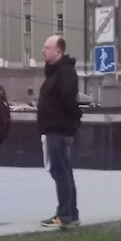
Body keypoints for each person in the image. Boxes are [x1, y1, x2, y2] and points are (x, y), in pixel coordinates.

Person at [37, 35, 82, 228]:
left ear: (58, 51)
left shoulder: (65, 73)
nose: (43, 50)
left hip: (59, 130)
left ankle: (64, 215)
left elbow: (69, 102)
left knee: (60, 171)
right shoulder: (56, 72)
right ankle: (71, 214)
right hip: (56, 129)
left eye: (47, 47)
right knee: (64, 172)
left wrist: (70, 121)